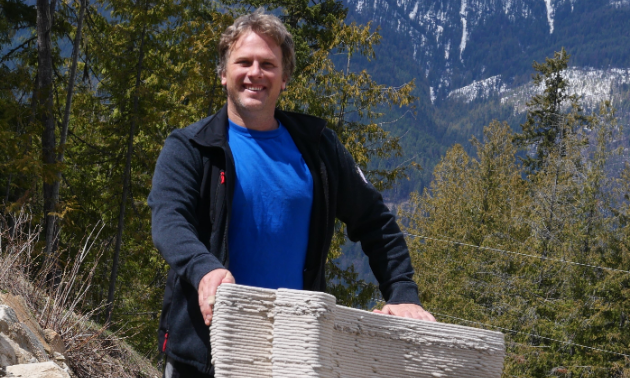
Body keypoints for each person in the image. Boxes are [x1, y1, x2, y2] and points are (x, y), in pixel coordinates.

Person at [148, 10, 435, 378]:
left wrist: (402, 293)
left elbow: (375, 222)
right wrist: (204, 270)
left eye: (268, 64)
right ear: (223, 74)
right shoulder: (191, 147)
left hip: (294, 352)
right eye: (244, 62)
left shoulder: (318, 148)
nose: (255, 73)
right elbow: (169, 221)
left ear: (284, 79)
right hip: (205, 353)